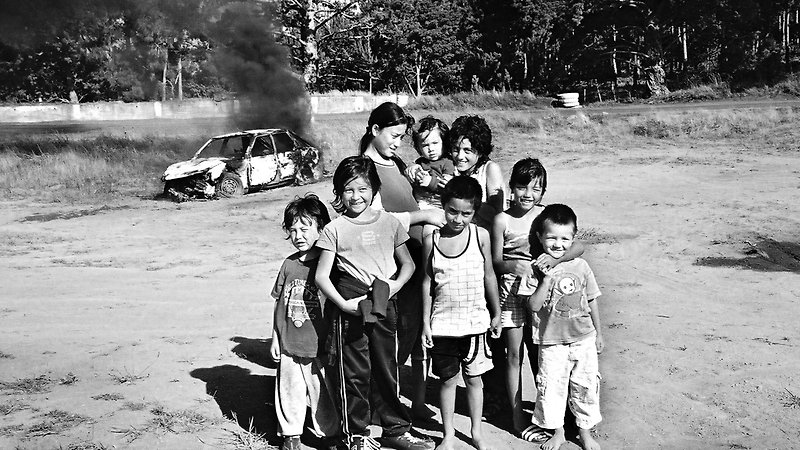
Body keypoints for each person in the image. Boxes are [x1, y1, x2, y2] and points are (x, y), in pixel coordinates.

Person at [315, 156, 435, 450]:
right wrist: (343, 305)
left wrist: (394, 285)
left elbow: (407, 264)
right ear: (339, 193)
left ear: (374, 190)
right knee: (354, 372)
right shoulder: (335, 229)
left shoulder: (390, 223)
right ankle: (356, 435)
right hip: (350, 304)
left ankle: (395, 429)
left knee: (387, 367)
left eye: (363, 189)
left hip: (385, 302)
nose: (356, 196)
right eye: (348, 190)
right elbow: (321, 276)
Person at [358, 102, 445, 422]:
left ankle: (389, 402)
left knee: (410, 332)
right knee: (390, 335)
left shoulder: (394, 160)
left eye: (402, 136)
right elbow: (375, 219)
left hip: (415, 256)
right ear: (375, 130)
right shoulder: (363, 167)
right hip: (392, 262)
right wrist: (424, 215)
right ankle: (379, 406)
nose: (398, 142)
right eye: (393, 135)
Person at [421, 176, 502, 450]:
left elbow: (490, 276)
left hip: (475, 323)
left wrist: (496, 312)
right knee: (447, 381)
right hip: (443, 325)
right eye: (452, 211)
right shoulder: (431, 238)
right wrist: (425, 323)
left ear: (475, 211)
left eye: (466, 213)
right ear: (443, 206)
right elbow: (427, 282)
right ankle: (448, 435)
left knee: (474, 380)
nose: (458, 219)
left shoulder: (480, 235)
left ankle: (476, 432)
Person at [527, 204, 604, 450]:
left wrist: (599, 334)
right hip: (551, 341)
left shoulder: (581, 266)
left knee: (586, 385)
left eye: (564, 238)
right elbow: (533, 306)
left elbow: (592, 300)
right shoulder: (535, 269)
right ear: (540, 237)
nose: (558, 244)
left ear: (573, 238)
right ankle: (557, 432)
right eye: (551, 238)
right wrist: (546, 279)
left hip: (583, 337)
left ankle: (584, 432)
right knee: (552, 388)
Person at [270, 194, 340, 450]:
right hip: (290, 344)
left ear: (321, 229)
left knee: (323, 393)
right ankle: (291, 436)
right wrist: (276, 338)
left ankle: (331, 435)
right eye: (293, 230)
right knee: (289, 392)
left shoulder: (329, 265)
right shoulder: (288, 264)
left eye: (305, 228)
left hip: (318, 346)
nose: (298, 235)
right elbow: (279, 302)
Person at [448, 115, 505, 229]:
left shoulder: (489, 169)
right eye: (456, 149)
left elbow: (497, 215)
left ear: (480, 151)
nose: (460, 156)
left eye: (467, 151)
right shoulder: (450, 167)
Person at [406, 116, 455, 210]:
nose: (431, 149)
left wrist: (430, 182)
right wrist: (414, 170)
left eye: (435, 143)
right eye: (425, 145)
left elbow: (447, 186)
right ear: (418, 148)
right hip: (420, 202)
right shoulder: (420, 162)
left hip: (439, 205)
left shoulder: (448, 162)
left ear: (444, 143)